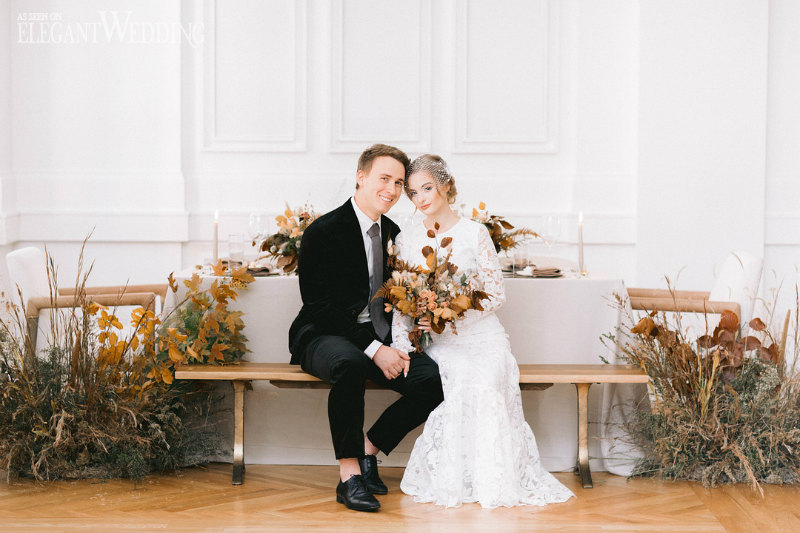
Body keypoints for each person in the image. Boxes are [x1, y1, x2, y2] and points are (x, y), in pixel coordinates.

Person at [395, 154, 575, 508]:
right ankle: (456, 477)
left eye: (427, 188)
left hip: (481, 336)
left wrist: (450, 313)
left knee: (487, 376)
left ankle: (493, 476)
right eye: (413, 193)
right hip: (441, 343)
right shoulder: (407, 239)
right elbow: (402, 298)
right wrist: (404, 342)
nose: (421, 198)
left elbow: (495, 294)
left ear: (446, 185)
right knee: (459, 376)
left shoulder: (474, 233)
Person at [288, 144, 444, 512]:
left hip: (378, 334)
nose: (391, 189)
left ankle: (367, 450)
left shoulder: (393, 232)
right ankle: (349, 475)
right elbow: (320, 307)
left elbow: (399, 295)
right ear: (361, 177)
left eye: (399, 182)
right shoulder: (323, 232)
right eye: (384, 179)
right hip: (322, 333)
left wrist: (410, 326)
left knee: (433, 379)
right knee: (351, 364)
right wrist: (375, 350)